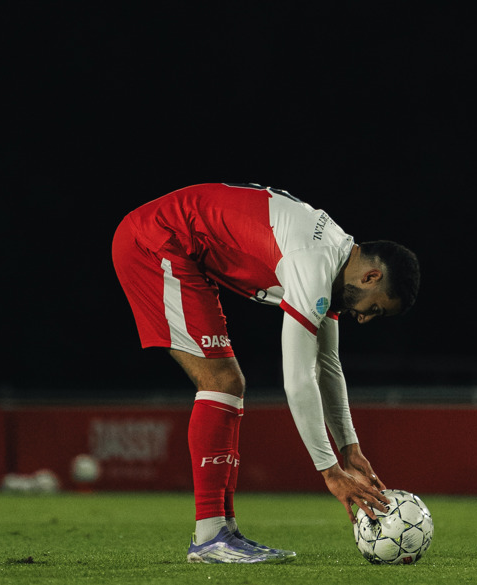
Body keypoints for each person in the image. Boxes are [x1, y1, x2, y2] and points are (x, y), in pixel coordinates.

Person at [112, 183, 421, 564]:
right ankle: (210, 537)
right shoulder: (314, 263)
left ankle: (221, 533)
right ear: (371, 277)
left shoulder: (335, 257)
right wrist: (329, 472)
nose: (364, 318)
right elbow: (298, 378)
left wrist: (349, 449)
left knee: (228, 384)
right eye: (375, 309)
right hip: (156, 241)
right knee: (222, 382)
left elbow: (327, 365)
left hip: (176, 244)